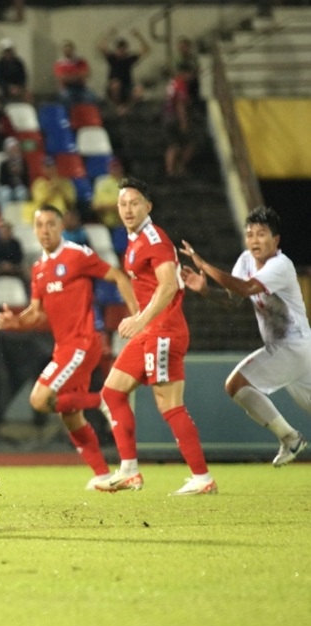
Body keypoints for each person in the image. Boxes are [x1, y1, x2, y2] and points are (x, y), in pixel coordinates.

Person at [0, 204, 138, 488]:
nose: (45, 231)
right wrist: (16, 321)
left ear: (61, 227)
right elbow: (36, 313)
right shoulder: (38, 268)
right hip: (65, 347)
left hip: (83, 343)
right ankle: (102, 474)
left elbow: (119, 277)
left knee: (39, 399)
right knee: (70, 414)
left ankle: (102, 401)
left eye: (50, 224)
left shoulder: (77, 255)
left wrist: (138, 317)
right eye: (39, 225)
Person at [94, 177, 217, 495]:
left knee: (169, 405)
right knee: (112, 393)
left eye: (134, 202)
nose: (127, 209)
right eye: (122, 203)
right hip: (153, 331)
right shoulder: (135, 239)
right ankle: (129, 471)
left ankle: (202, 478)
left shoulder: (153, 238)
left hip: (163, 331)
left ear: (148, 206)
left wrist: (140, 318)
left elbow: (168, 285)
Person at [179, 206, 311, 467]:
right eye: (250, 234)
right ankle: (289, 437)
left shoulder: (280, 265)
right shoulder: (246, 260)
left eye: (261, 234)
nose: (254, 240)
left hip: (293, 346)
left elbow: (247, 287)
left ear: (276, 240)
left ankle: (290, 438)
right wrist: (206, 291)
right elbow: (233, 301)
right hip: (295, 351)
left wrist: (204, 265)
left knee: (236, 385)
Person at [98, 29, 150, 115]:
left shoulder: (129, 59)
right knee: (116, 84)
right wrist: (109, 35)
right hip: (113, 89)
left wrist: (139, 36)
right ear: (117, 49)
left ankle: (128, 107)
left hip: (127, 86)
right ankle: (118, 107)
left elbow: (146, 49)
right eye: (120, 49)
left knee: (139, 89)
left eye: (123, 49)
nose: (121, 51)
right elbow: (101, 47)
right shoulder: (112, 58)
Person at [163, 63, 198, 178]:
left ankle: (170, 170)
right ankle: (180, 167)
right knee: (188, 143)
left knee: (173, 144)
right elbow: (180, 105)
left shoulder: (172, 83)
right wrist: (184, 122)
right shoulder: (181, 85)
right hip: (175, 118)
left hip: (167, 116)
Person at [53, 40, 97, 107]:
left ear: (72, 50)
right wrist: (77, 76)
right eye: (65, 50)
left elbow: (86, 75)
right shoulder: (59, 64)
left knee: (92, 98)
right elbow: (61, 78)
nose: (67, 52)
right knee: (65, 98)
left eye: (69, 49)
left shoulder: (81, 62)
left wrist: (69, 77)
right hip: (66, 89)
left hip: (81, 88)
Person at [91, 156, 125, 229]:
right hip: (106, 224)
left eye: (117, 166)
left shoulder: (128, 184)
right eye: (112, 165)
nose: (115, 168)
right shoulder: (101, 182)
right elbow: (96, 206)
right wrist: (116, 206)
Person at [0, 136, 30, 206]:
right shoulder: (4, 164)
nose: (14, 151)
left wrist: (20, 173)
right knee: (5, 193)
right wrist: (9, 172)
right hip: (7, 187)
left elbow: (26, 180)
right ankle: (5, 215)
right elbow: (2, 181)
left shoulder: (23, 163)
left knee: (21, 192)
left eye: (16, 148)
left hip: (19, 187)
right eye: (12, 149)